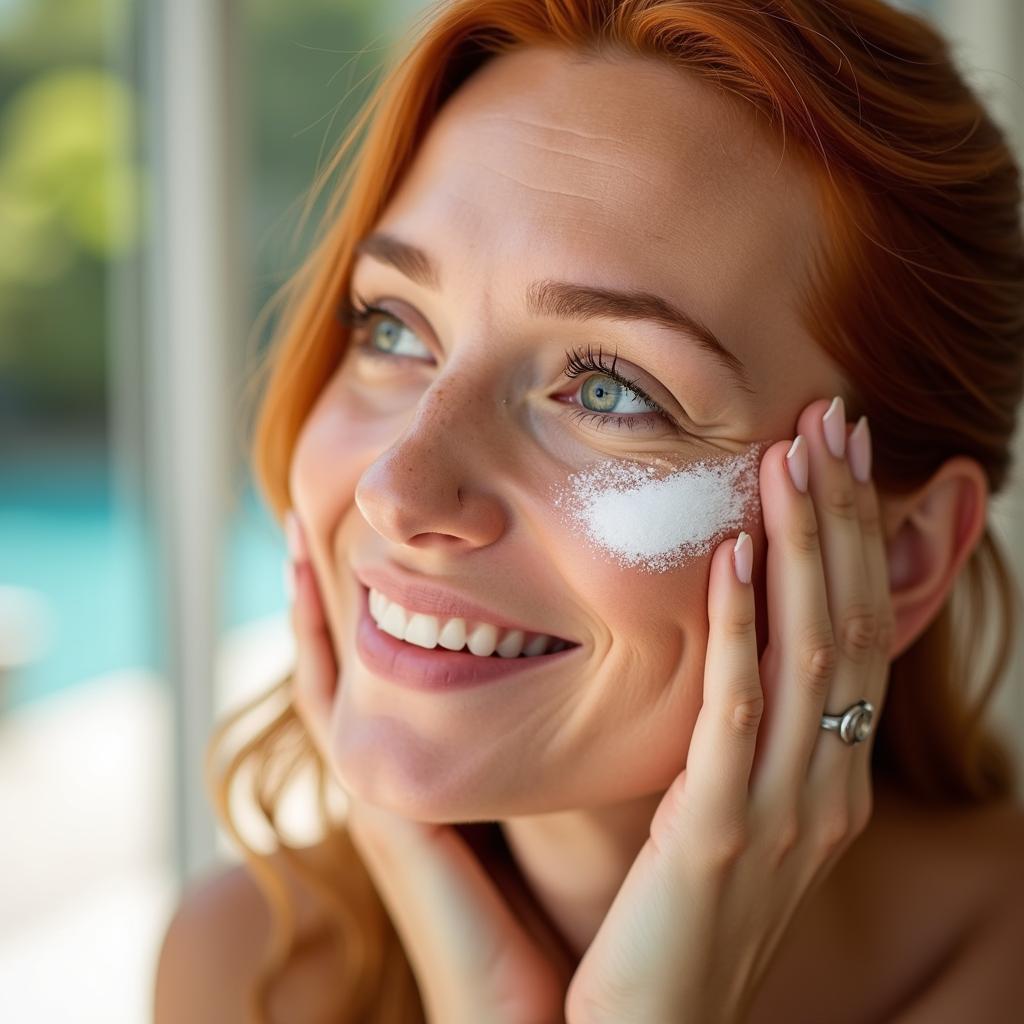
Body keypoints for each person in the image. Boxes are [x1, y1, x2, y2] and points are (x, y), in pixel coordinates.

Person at [154, 1, 1024, 1021]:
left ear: (906, 551)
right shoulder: (247, 968)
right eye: (392, 327)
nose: (399, 490)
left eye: (609, 388)